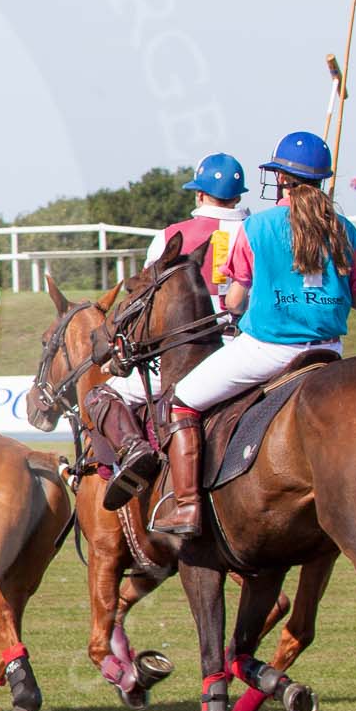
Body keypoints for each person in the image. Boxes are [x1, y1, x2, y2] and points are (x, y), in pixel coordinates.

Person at [153, 130, 356, 537]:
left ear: (281, 179)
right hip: (329, 352)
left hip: (268, 349)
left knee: (181, 401)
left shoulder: (256, 227)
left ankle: (186, 507)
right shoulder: (347, 230)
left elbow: (235, 301)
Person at [83, 152, 249, 509]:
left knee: (105, 394)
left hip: (189, 358)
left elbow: (148, 304)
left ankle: (126, 461)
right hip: (246, 351)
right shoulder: (258, 230)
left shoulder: (170, 236)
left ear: (200, 194)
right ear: (238, 195)